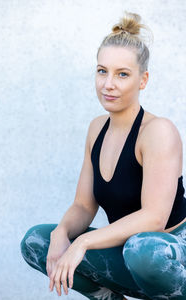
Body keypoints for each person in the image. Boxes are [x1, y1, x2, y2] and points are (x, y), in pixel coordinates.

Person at [20, 12, 186, 300]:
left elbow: (154, 219)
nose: (108, 83)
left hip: (170, 255)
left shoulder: (158, 131)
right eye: (102, 71)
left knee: (142, 249)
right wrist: (62, 233)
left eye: (122, 74)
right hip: (131, 253)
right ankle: (108, 296)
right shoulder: (97, 128)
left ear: (143, 80)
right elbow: (84, 206)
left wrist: (83, 242)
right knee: (37, 241)